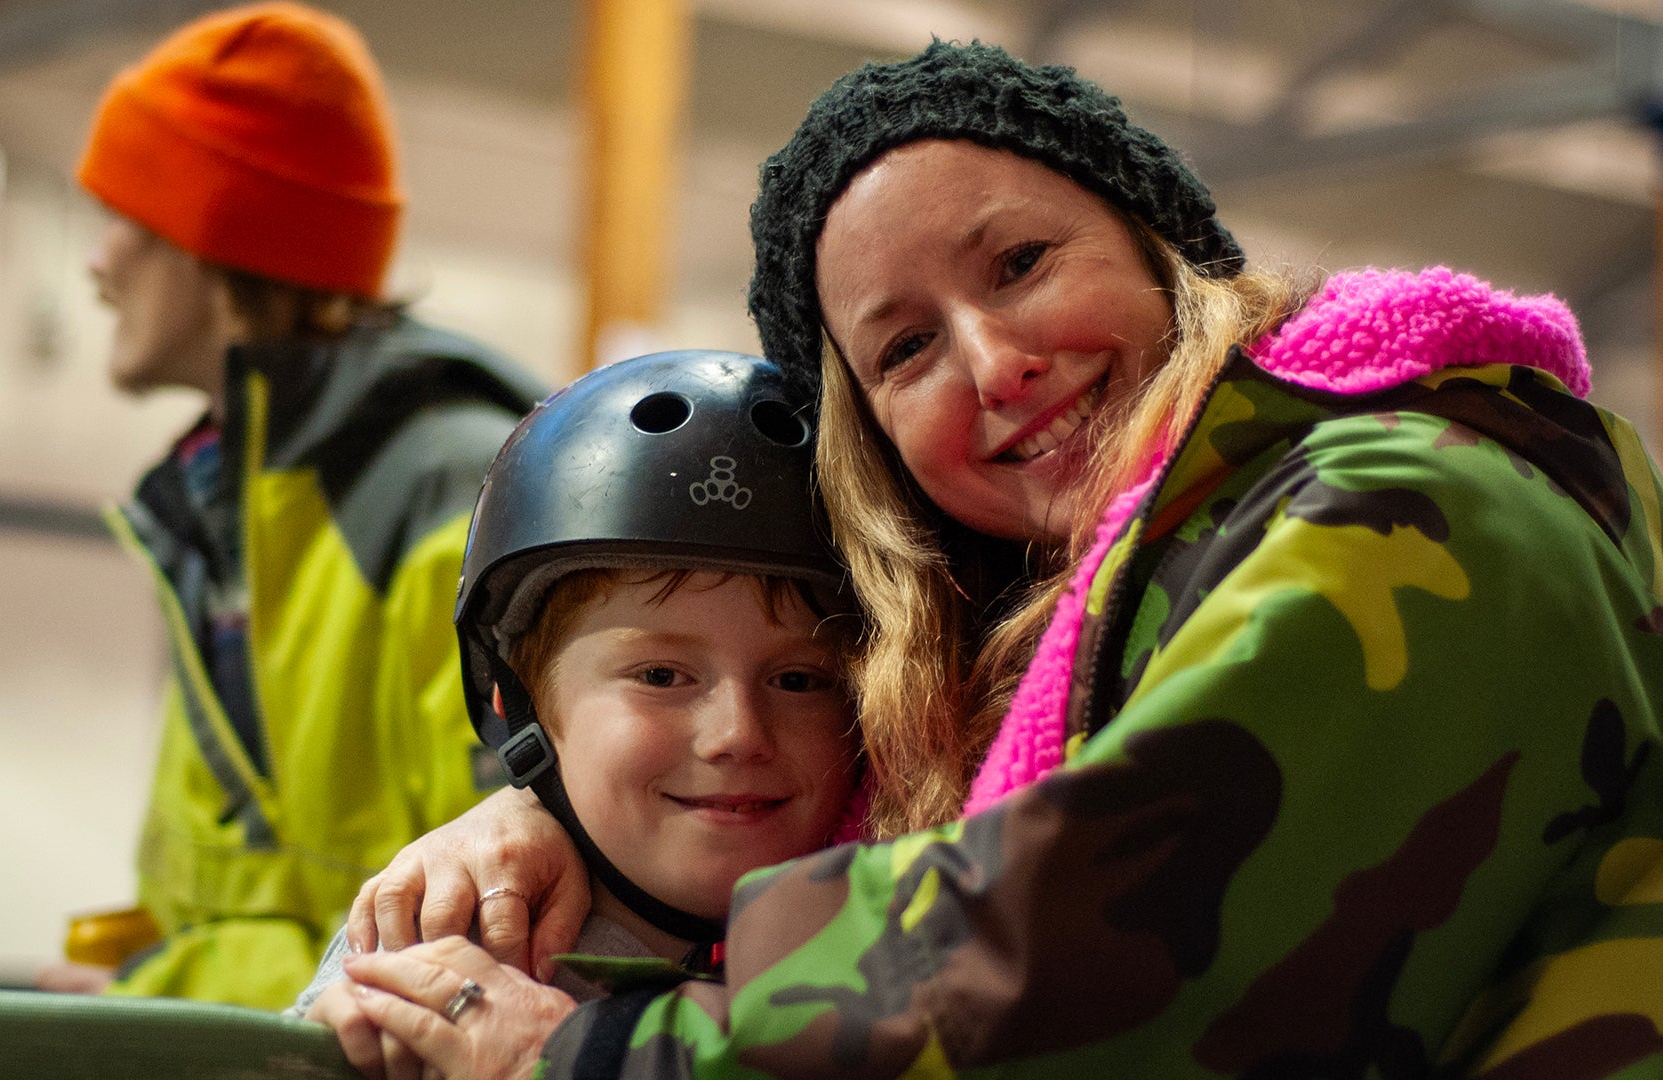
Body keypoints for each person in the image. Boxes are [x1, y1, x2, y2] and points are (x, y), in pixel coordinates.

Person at [319, 40, 1663, 1080]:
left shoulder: (1417, 498)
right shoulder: (1068, 637)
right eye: (902, 349)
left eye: (1020, 262)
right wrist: (551, 820)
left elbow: (1087, 964)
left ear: (1163, 254)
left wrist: (584, 1054)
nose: (995, 363)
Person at [40, 1, 543, 1008]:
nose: (98, 263)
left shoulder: (450, 496)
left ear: (214, 243)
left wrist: (155, 996)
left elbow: (484, 942)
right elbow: (248, 884)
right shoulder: (213, 513)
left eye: (126, 217)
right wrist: (130, 965)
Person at [293, 351, 860, 1077]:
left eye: (799, 679)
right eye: (660, 675)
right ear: (517, 704)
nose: (738, 734)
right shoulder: (444, 940)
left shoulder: (901, 933)